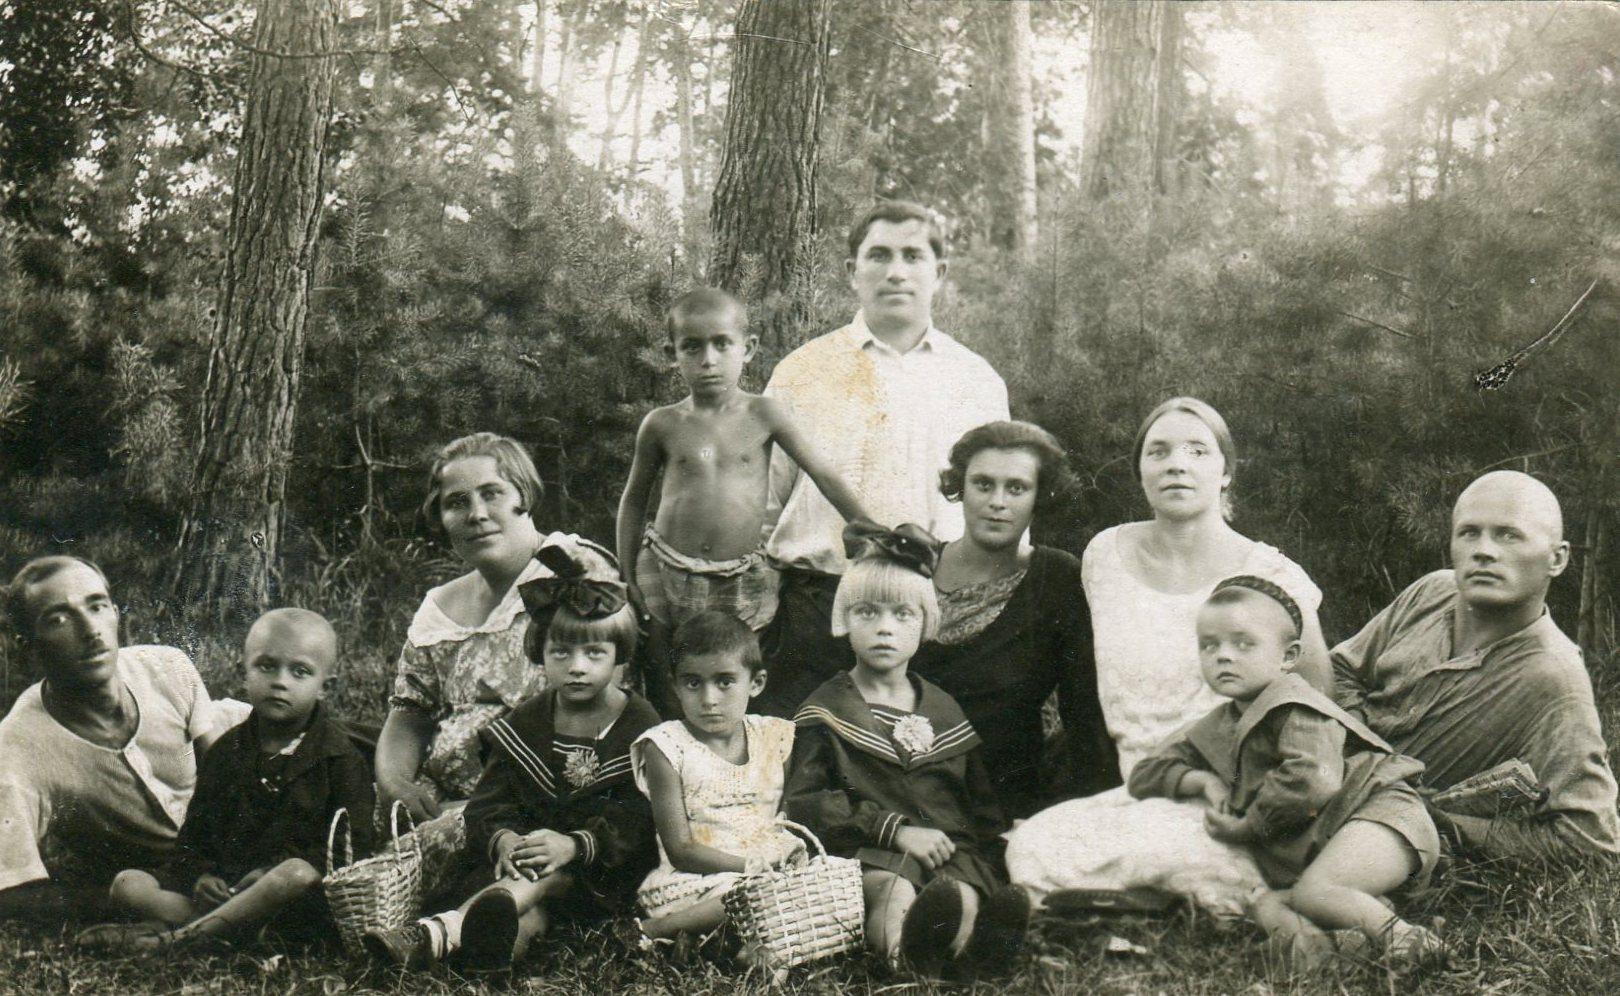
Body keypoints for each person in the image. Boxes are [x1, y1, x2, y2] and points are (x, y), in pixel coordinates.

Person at [1005, 398, 1329, 917]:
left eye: (1197, 451)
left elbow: (1317, 700)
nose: (1177, 464)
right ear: (1140, 471)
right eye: (1159, 451)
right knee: (1029, 848)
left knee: (1158, 848)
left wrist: (1257, 800)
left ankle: (1213, 890)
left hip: (1231, 800)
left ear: (1226, 473)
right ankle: (1164, 896)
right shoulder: (1105, 555)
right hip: (1142, 788)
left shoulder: (1272, 575)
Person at [758, 201, 1010, 717]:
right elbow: (760, 503)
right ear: (853, 271)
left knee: (932, 754)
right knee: (803, 753)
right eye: (879, 255)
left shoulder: (976, 380)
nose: (896, 271)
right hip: (819, 613)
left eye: (913, 256)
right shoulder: (802, 370)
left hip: (939, 609)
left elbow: (1004, 509)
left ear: (939, 273)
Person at [364, 545, 660, 970]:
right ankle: (488, 952)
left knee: (537, 879)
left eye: (594, 653)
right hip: (525, 866)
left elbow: (641, 816)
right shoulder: (529, 720)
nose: (577, 666)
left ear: (619, 653)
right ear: (541, 652)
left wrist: (574, 844)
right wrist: (503, 838)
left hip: (600, 871)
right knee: (518, 910)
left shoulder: (638, 723)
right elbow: (489, 802)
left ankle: (436, 932)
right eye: (561, 652)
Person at [1129, 577, 1444, 970]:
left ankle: (1410, 942)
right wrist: (1202, 780)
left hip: (1383, 816)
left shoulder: (1296, 707)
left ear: (1288, 656)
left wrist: (1249, 826)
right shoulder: (1217, 726)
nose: (1223, 656)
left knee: (1316, 891)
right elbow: (1145, 772)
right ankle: (1334, 948)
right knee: (1266, 904)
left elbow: (1312, 779)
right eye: (1209, 645)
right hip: (1337, 845)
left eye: (1243, 643)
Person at [1333, 470, 1619, 863]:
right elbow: (1340, 669)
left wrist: (1437, 823)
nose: (1483, 550)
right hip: (1319, 773)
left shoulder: (1554, 679)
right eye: (1469, 533)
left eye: (1508, 535)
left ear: (1557, 559)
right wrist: (1357, 747)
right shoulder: (1433, 591)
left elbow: (1589, 841)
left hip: (1374, 838)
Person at [784, 522, 1029, 980]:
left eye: (902, 614)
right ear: (843, 619)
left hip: (944, 854)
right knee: (892, 889)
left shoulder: (943, 708)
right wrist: (892, 830)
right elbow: (805, 803)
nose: (885, 628)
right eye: (867, 612)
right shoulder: (827, 709)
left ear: (926, 622)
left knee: (962, 893)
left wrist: (990, 853)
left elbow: (978, 807)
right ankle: (905, 957)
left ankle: (969, 958)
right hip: (870, 852)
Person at [617, 289, 868, 715]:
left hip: (741, 573)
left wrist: (867, 524)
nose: (708, 360)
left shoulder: (764, 414)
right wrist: (627, 577)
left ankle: (736, 750)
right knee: (664, 672)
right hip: (665, 565)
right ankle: (670, 745)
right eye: (692, 347)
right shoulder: (661, 424)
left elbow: (822, 472)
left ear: (747, 349)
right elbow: (633, 502)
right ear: (671, 353)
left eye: (722, 344)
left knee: (738, 670)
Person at [79, 608, 374, 951]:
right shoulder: (226, 751)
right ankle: (226, 929)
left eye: (300, 672)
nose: (280, 681)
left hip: (291, 899)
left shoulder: (339, 758)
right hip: (226, 889)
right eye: (266, 666)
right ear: (242, 672)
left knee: (296, 873)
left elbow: (353, 848)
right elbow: (193, 839)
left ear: (325, 687)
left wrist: (268, 872)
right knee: (128, 884)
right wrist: (202, 876)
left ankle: (174, 940)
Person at [374, 433, 584, 897]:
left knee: (420, 856)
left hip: (535, 794)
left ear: (524, 494)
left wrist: (477, 808)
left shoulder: (575, 574)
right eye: (457, 502)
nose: (476, 514)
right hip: (443, 793)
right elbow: (409, 711)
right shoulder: (440, 607)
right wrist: (395, 782)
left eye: (492, 493)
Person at [0, 556, 236, 922]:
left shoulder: (167, 667)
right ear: (27, 646)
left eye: (97, 606)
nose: (90, 630)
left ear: (114, 613)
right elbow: (11, 892)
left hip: (249, 737)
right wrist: (124, 904)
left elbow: (232, 785)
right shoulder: (17, 746)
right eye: (59, 619)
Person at [911, 421, 1119, 819]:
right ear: (960, 487)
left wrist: (1094, 819)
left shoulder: (1057, 579)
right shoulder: (915, 567)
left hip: (1001, 802)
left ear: (1041, 496)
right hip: (895, 790)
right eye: (983, 484)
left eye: (1017, 488)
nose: (997, 502)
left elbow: (1084, 713)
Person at [629, 611, 802, 951]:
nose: (709, 699)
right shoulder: (666, 746)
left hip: (770, 872)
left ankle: (724, 945)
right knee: (750, 896)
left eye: (725, 682)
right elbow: (681, 850)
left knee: (824, 879)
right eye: (693, 683)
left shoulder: (775, 737)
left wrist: (785, 861)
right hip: (698, 880)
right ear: (675, 685)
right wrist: (753, 868)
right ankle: (658, 928)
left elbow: (786, 818)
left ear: (756, 682)